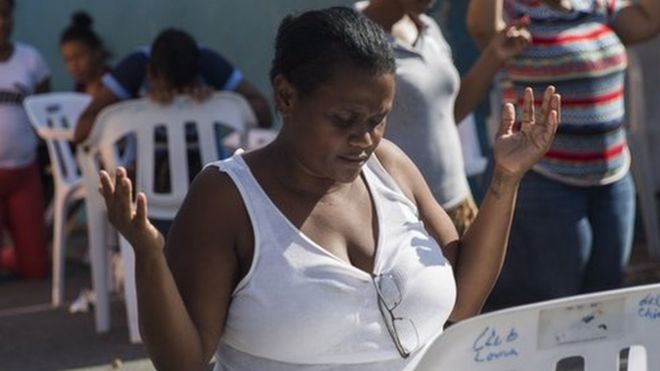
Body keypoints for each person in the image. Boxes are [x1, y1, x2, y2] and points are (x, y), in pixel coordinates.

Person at [99, 7, 560, 370]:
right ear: (285, 96)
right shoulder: (227, 199)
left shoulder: (390, 167)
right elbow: (185, 362)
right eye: (344, 121)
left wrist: (505, 180)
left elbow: (463, 300)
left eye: (378, 120)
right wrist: (149, 256)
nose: (364, 139)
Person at [467, 0, 660, 309]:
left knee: (605, 303)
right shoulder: (514, 11)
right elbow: (481, 29)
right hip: (546, 182)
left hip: (612, 178)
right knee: (553, 306)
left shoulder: (599, 6)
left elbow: (651, 19)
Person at [359, 0, 531, 235]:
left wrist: (494, 54)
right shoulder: (354, 38)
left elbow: (450, 113)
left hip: (457, 206)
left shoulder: (428, 27)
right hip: (400, 217)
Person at [72, 28, 272, 144]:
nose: (176, 100)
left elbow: (264, 115)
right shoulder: (135, 66)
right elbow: (80, 130)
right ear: (149, 74)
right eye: (168, 90)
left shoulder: (208, 63)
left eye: (183, 92)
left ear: (197, 76)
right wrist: (135, 111)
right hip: (145, 182)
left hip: (205, 175)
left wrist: (216, 102)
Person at [0, 0, 50, 279]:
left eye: (5, 14)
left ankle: (12, 254)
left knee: (35, 269)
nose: (1, 22)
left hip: (24, 172)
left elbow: (45, 115)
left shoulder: (31, 59)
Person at [60, 11, 111, 95]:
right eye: (67, 60)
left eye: (78, 57)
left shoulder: (113, 84)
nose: (73, 66)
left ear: (97, 53)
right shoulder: (80, 86)